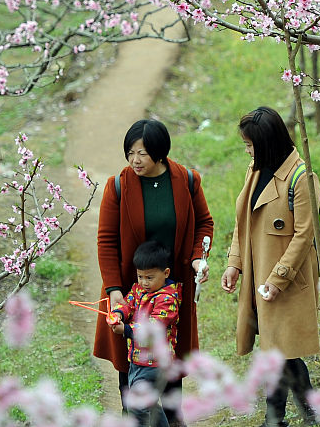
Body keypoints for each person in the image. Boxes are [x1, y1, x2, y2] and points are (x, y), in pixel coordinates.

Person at [95, 118, 214, 426]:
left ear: (160, 153)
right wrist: (114, 290)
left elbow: (204, 224)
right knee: (130, 357)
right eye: (131, 152)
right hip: (131, 288)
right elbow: (106, 240)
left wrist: (198, 259)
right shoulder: (118, 186)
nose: (135, 160)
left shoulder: (187, 181)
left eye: (143, 153)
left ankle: (174, 418)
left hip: (172, 290)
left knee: (170, 353)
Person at [220, 106, 320, 427]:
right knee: (278, 350)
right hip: (257, 274)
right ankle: (306, 414)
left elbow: (304, 235)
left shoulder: (301, 178)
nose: (248, 151)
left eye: (251, 145)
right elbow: (242, 221)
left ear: (268, 143)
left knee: (281, 349)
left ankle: (278, 418)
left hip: (287, 281)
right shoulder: (255, 168)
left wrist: (279, 278)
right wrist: (234, 263)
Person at [110, 240, 182, 427]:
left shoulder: (167, 300)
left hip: (156, 363)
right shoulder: (138, 289)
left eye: (149, 278)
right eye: (140, 276)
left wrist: (126, 329)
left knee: (138, 404)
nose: (144, 282)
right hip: (137, 360)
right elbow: (127, 304)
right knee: (147, 403)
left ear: (166, 273)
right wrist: (118, 314)